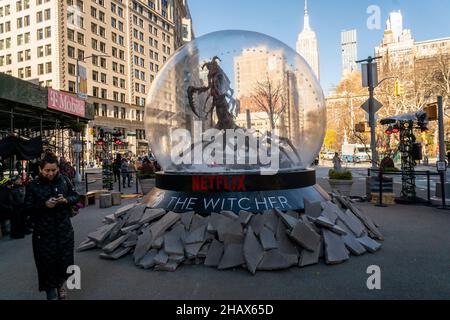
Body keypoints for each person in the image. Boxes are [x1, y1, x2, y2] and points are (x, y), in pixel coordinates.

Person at [24, 151, 80, 300]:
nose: (51, 173)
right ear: (40, 170)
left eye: (54, 170)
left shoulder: (64, 180)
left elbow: (76, 196)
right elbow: (27, 209)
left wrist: (66, 200)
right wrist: (44, 205)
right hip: (43, 234)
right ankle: (51, 294)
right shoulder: (32, 186)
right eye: (47, 170)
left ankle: (61, 285)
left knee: (65, 262)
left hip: (64, 231)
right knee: (47, 266)